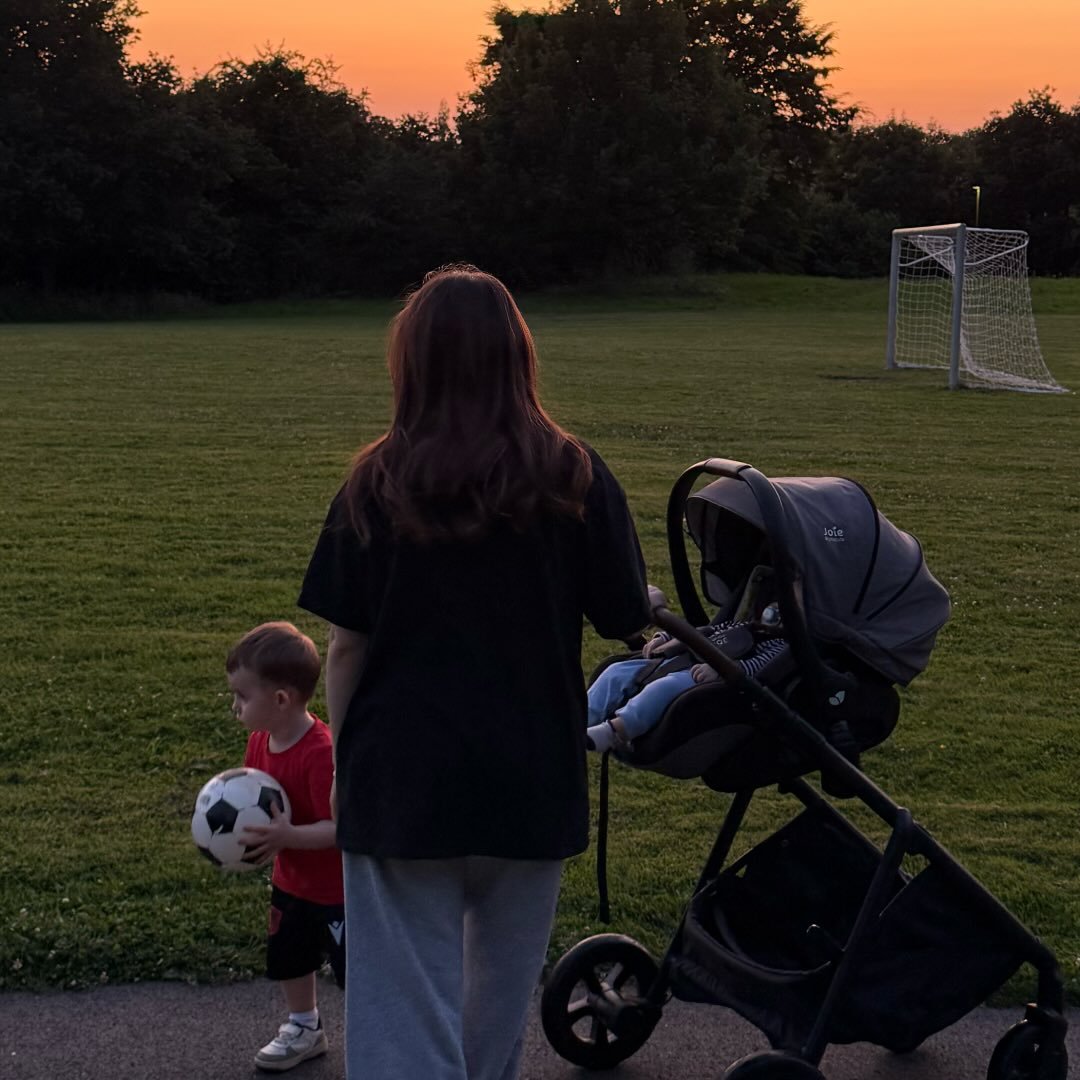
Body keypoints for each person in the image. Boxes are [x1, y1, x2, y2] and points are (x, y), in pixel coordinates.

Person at [297, 264, 650, 1080]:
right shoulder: (574, 473)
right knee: (494, 1008)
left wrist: (345, 769)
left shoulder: (376, 481)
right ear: (517, 356)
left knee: (405, 1007)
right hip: (530, 773)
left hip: (403, 778)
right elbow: (624, 615)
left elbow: (347, 646)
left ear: (412, 361)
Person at [225, 621, 345, 1074]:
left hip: (337, 893)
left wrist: (288, 836)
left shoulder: (320, 753)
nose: (235, 706)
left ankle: (378, 1032)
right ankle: (304, 1027)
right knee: (291, 959)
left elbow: (340, 829)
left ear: (280, 700)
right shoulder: (259, 742)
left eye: (242, 696)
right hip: (291, 884)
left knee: (355, 969)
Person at [584, 602, 790, 752]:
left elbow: (758, 669)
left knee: (663, 688)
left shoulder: (782, 647)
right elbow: (706, 631)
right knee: (617, 671)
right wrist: (666, 637)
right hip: (682, 657)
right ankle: (581, 718)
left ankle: (615, 731)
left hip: (708, 678)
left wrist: (722, 669)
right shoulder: (744, 626)